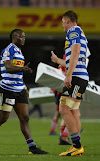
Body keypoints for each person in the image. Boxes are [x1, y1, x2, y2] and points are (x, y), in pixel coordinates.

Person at [0, 29, 48, 155]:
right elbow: (8, 67)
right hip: (8, 88)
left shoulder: (19, 52)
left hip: (19, 88)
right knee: (3, 118)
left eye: (24, 36)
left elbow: (19, 73)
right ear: (14, 37)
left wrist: (24, 87)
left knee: (25, 117)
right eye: (21, 36)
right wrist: (23, 69)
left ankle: (32, 147)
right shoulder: (8, 50)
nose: (24, 38)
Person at [51, 10, 89, 156]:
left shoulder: (73, 30)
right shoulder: (80, 32)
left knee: (64, 109)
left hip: (77, 77)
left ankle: (77, 146)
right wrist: (58, 61)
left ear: (67, 21)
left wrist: (68, 75)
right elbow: (72, 59)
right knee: (72, 111)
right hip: (80, 76)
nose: (62, 26)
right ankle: (76, 145)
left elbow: (75, 53)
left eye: (62, 22)